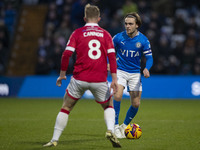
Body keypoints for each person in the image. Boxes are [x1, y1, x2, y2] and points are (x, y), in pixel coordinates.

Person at [43, 4, 121, 148]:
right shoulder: (105, 34)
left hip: (79, 78)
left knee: (66, 107)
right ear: (99, 18)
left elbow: (66, 54)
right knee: (108, 106)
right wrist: (114, 80)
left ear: (84, 18)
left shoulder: (77, 33)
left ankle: (54, 140)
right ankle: (110, 130)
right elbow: (112, 57)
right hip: (99, 79)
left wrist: (62, 75)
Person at [112, 12, 153, 138]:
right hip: (121, 71)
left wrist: (147, 68)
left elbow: (149, 58)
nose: (127, 26)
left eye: (130, 24)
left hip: (135, 73)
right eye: (126, 24)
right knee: (117, 95)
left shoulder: (143, 40)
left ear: (137, 25)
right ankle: (115, 126)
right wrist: (109, 63)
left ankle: (124, 126)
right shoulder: (118, 37)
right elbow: (109, 53)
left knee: (136, 104)